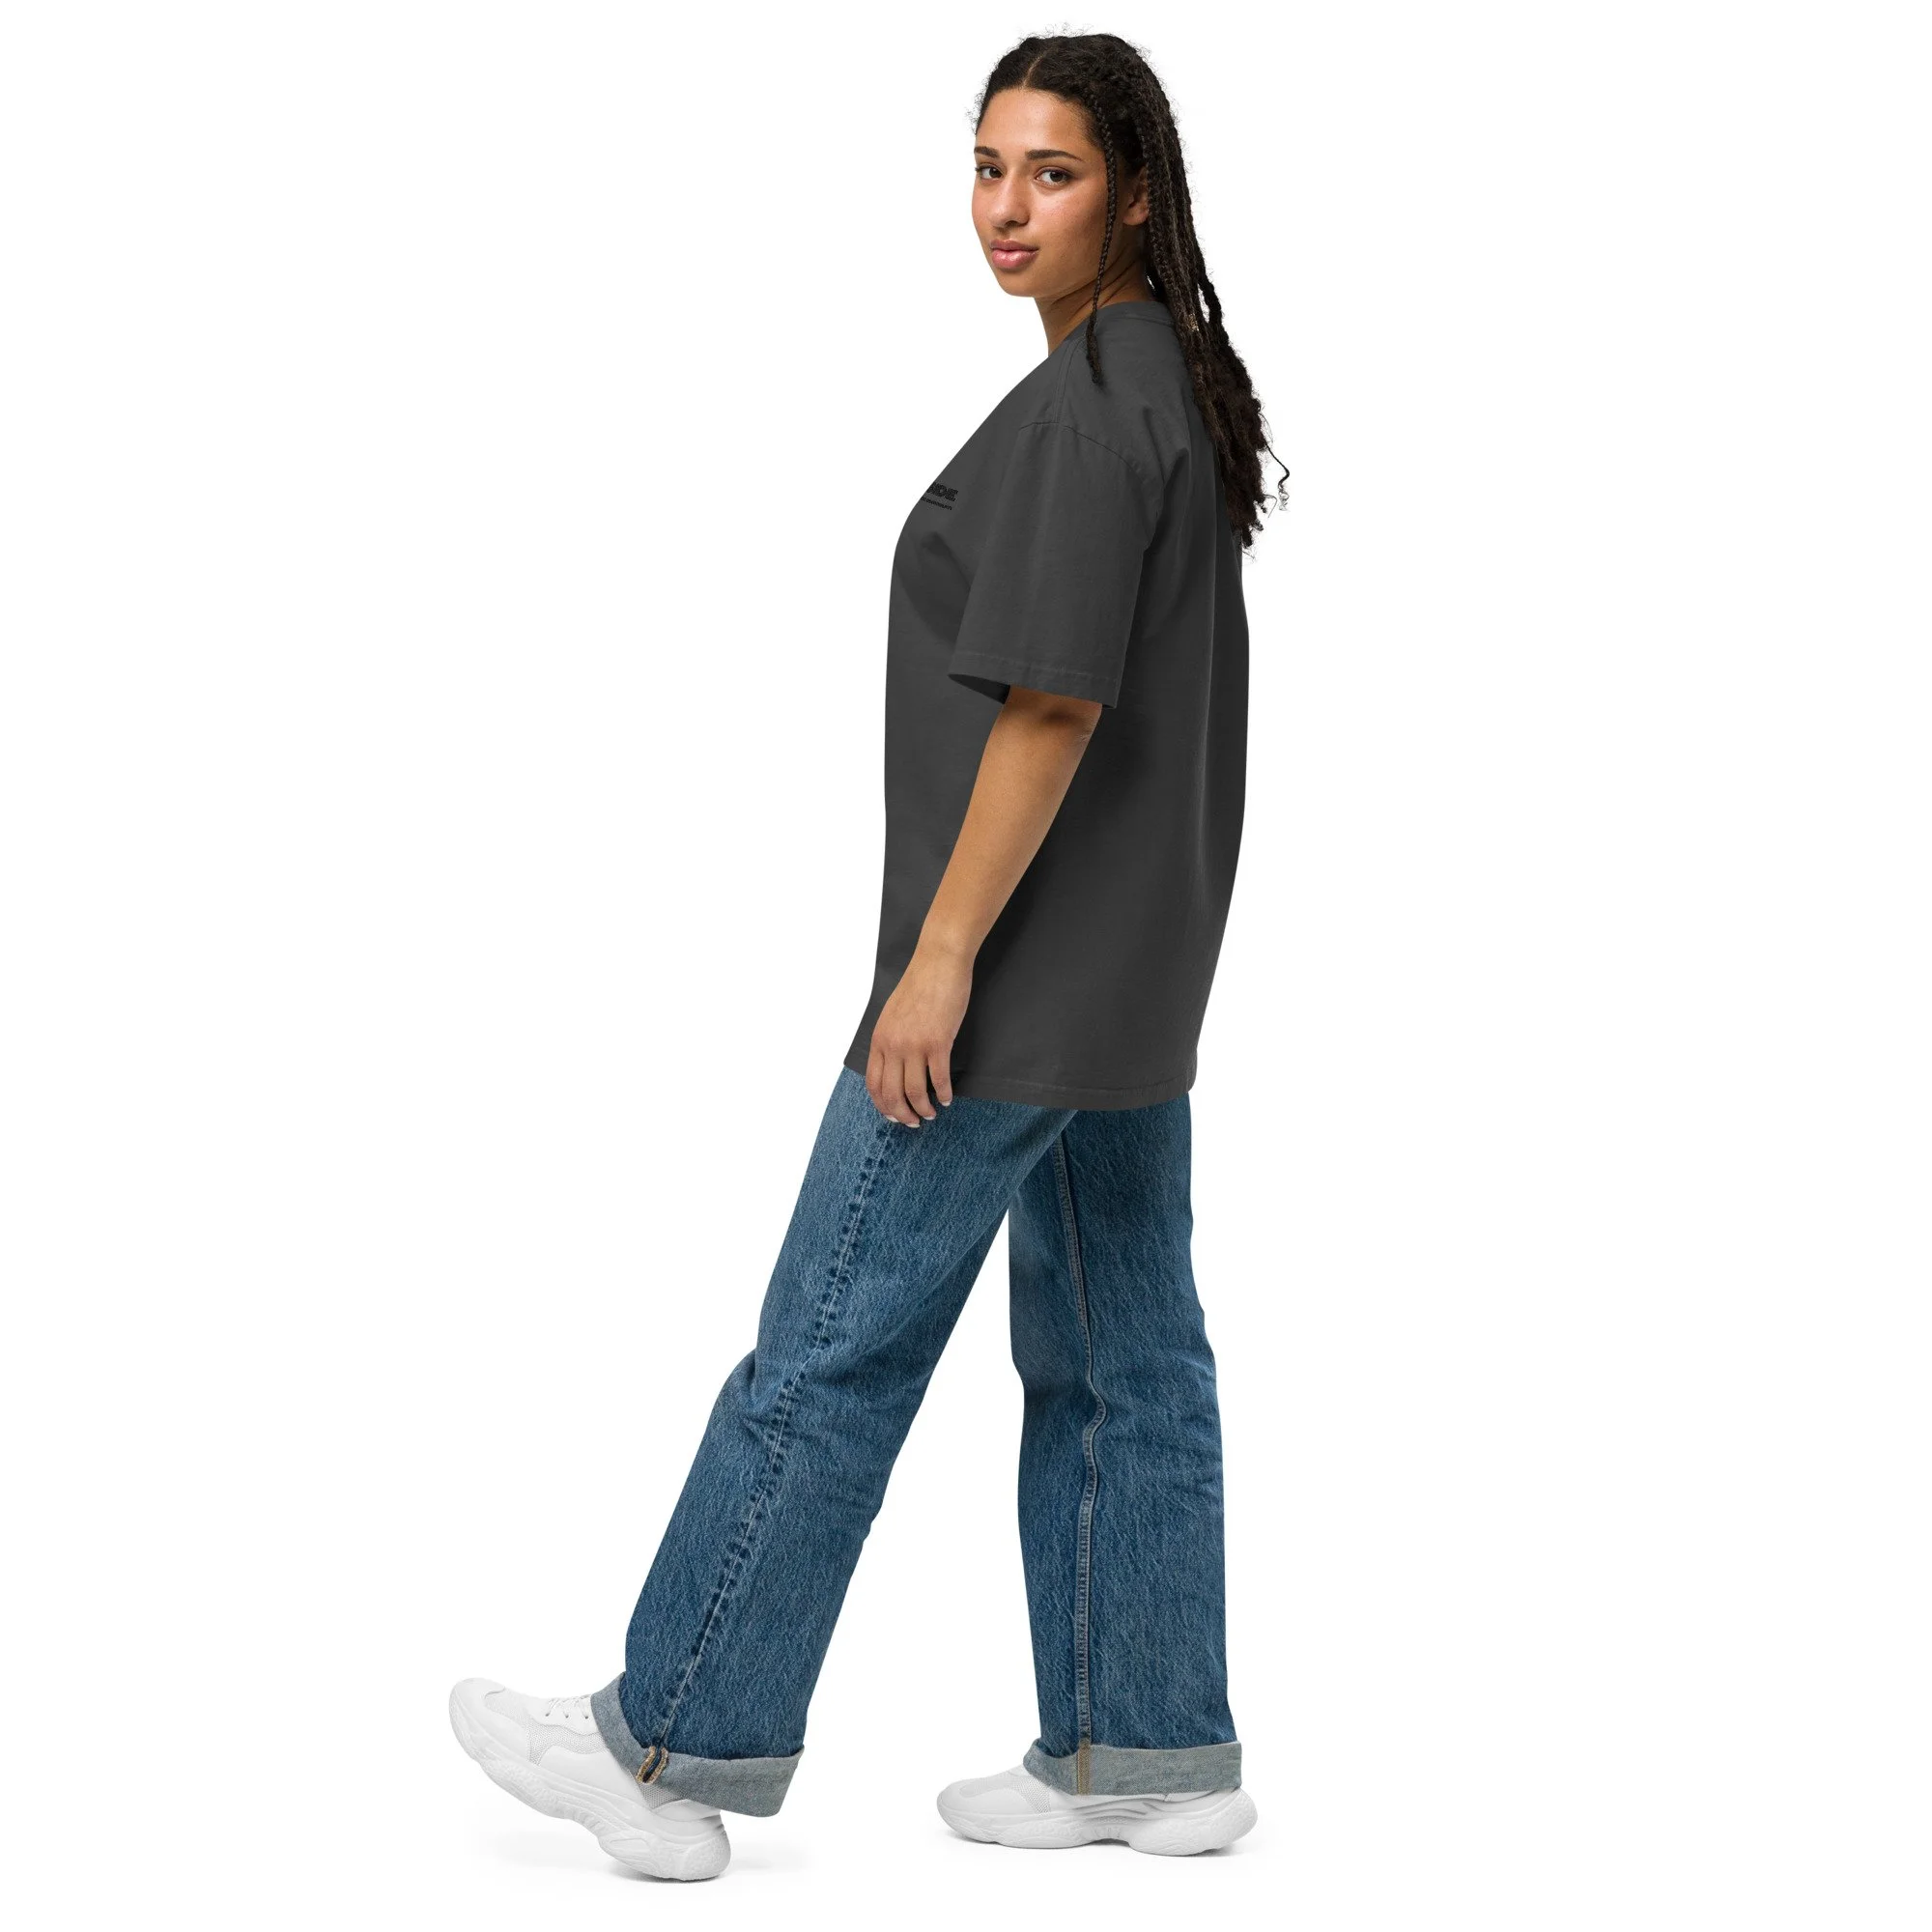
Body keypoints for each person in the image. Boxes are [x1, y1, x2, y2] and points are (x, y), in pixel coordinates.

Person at [449, 30, 1288, 1882]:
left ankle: (668, 1746)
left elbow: (1053, 710)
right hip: (1132, 980)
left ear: (1135, 193)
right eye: (986, 167)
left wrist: (938, 960)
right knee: (1130, 1352)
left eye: (1052, 173)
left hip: (1019, 979)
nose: (1006, 209)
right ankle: (1147, 1746)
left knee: (831, 1342)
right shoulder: (1156, 378)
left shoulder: (1092, 410)